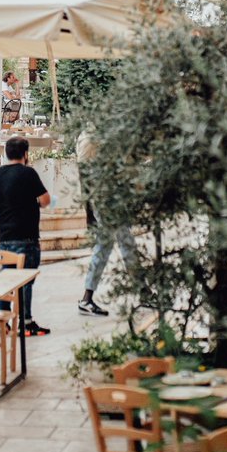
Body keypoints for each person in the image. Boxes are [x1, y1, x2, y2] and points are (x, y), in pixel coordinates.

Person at [0, 135, 51, 336]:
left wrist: (5, 213)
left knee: (7, 278)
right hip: (27, 236)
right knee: (26, 280)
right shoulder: (28, 173)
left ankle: (2, 318)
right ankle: (26, 321)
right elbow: (45, 200)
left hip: (4, 236)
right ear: (25, 154)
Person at [76, 127, 138, 316]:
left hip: (107, 203)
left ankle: (87, 297)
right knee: (125, 245)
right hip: (108, 204)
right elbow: (85, 175)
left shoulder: (95, 136)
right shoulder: (93, 138)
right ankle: (143, 290)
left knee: (107, 248)